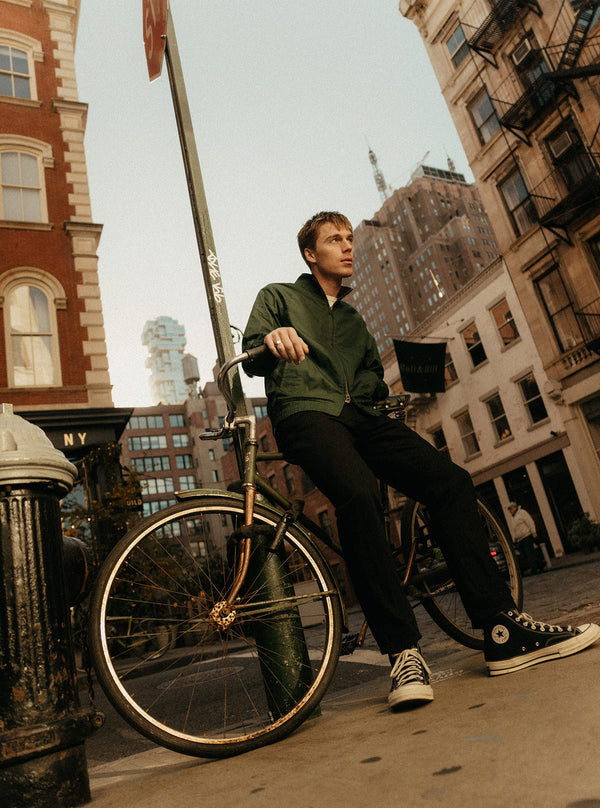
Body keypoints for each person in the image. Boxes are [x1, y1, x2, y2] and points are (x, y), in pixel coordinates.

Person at [242, 211, 600, 711]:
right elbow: (253, 353)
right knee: (359, 494)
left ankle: (502, 629)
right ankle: (403, 653)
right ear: (310, 253)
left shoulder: (352, 319)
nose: (347, 247)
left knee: (450, 481)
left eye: (350, 238)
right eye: (334, 239)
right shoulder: (279, 297)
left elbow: (370, 374)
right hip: (307, 413)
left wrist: (378, 400)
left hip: (365, 416)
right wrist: (273, 339)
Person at [507, 501, 545, 575]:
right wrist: (514, 538)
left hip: (526, 535)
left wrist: (533, 532)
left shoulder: (522, 513)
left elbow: (529, 521)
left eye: (510, 509)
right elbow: (513, 529)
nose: (510, 511)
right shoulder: (512, 518)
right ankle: (540, 564)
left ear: (514, 507)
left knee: (529, 553)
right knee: (525, 554)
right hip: (520, 538)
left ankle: (534, 569)